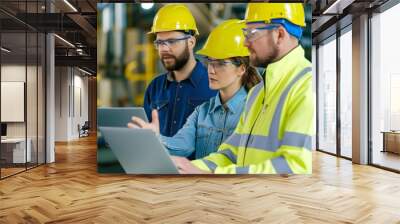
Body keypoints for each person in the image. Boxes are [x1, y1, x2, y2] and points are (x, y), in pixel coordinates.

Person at [172, 3, 315, 174]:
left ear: (279, 34)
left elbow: (295, 167)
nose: (245, 43)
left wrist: (217, 175)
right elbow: (231, 153)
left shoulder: (307, 85)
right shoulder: (257, 93)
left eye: (251, 34)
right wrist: (190, 167)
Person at [129, 19, 261, 159]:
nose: (211, 70)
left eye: (220, 63)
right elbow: (181, 146)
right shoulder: (202, 111)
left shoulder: (255, 110)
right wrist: (155, 137)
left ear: (241, 68)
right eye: (209, 61)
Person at [143, 4, 217, 139]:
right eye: (160, 43)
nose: (164, 49)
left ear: (191, 42)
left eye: (171, 41)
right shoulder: (155, 88)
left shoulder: (215, 84)